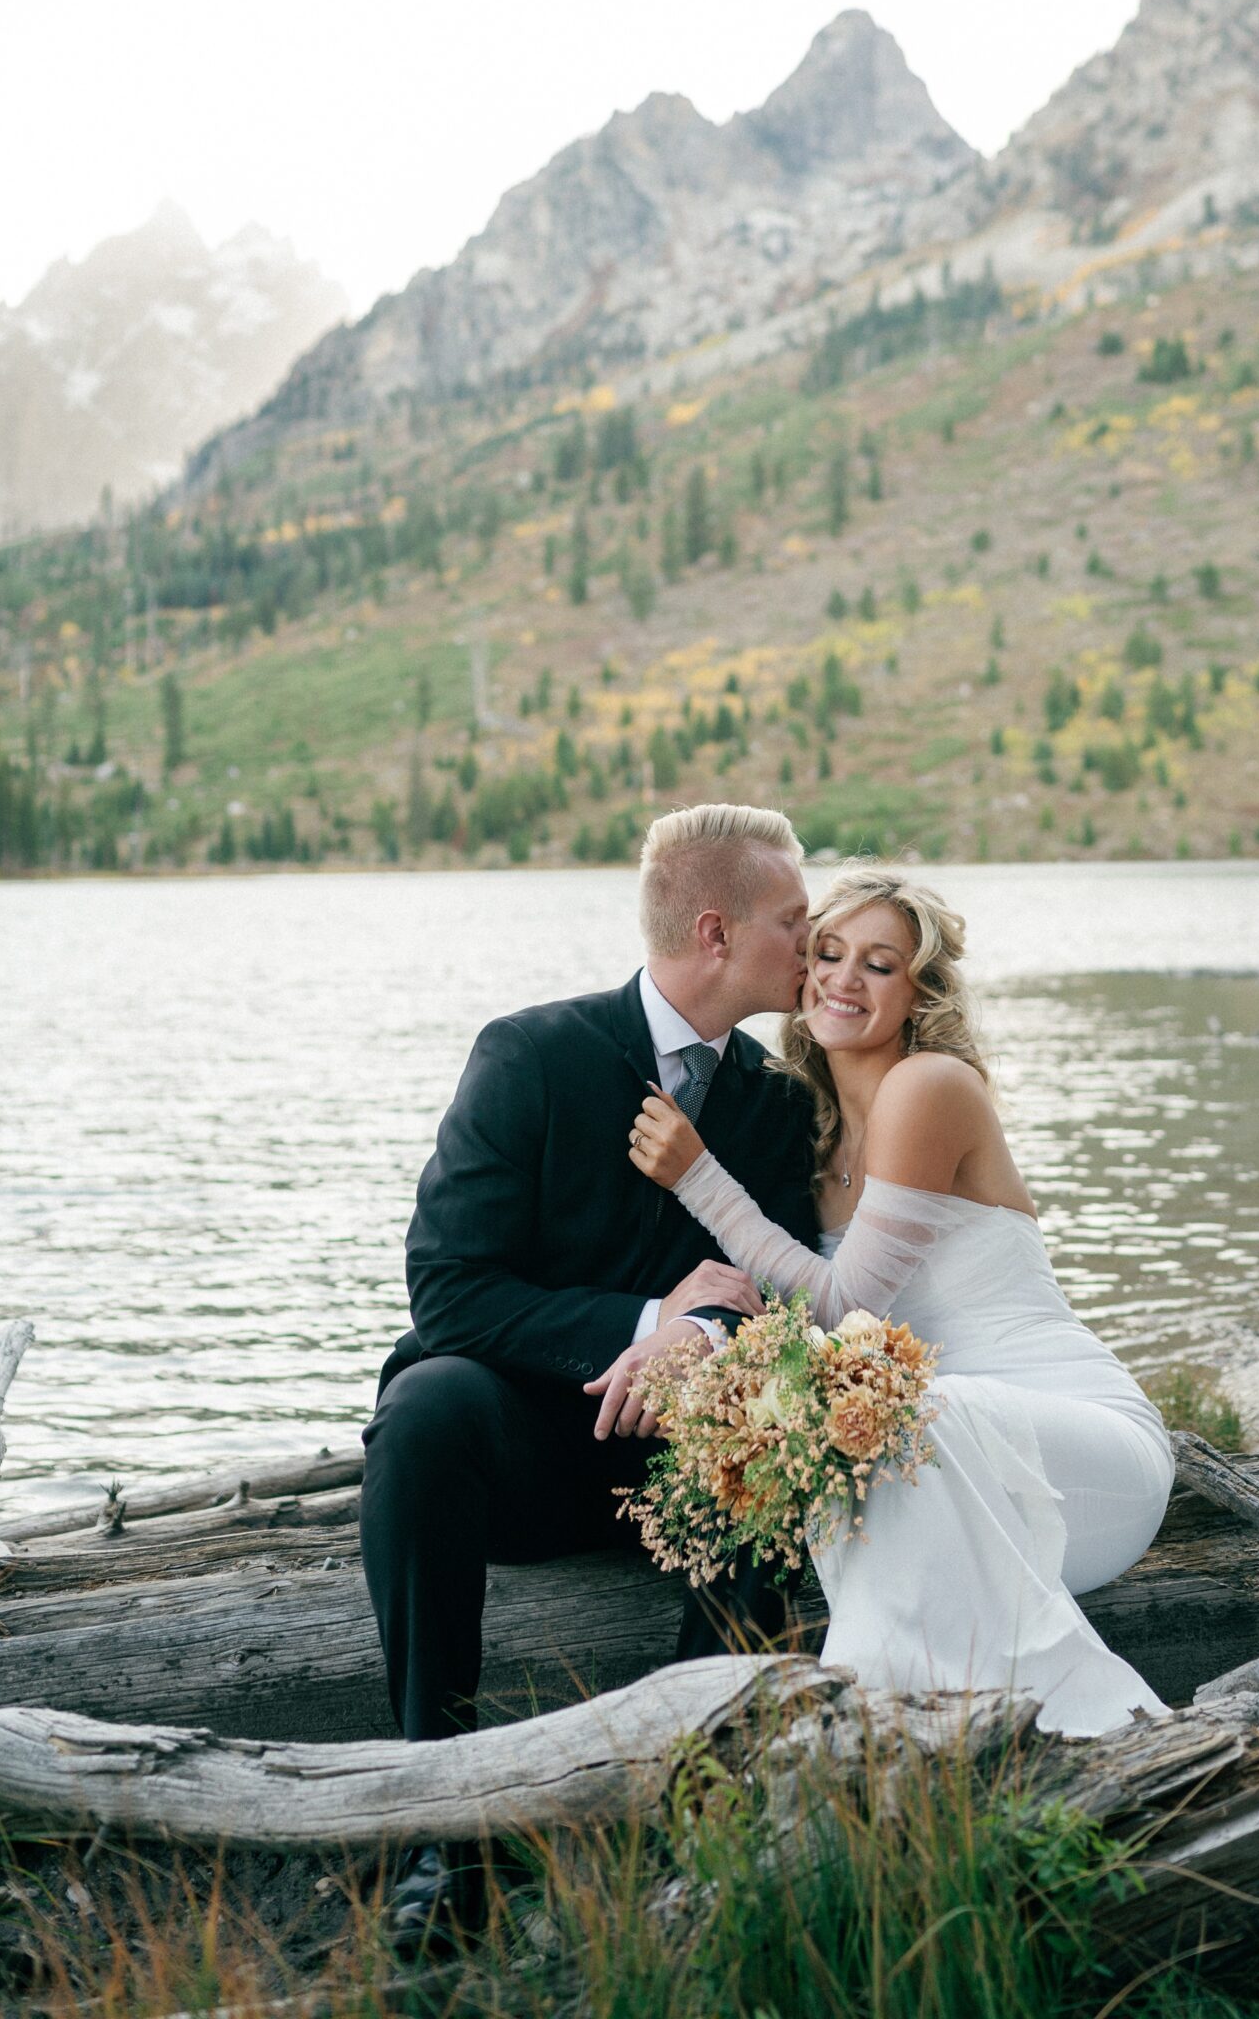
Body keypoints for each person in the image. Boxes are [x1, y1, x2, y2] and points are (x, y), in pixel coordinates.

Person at [359, 801, 816, 1945]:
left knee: (782, 1417)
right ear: (714, 931)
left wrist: (701, 1340)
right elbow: (448, 1287)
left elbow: (784, 1299)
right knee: (425, 1403)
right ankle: (440, 1831)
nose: (810, 945)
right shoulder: (531, 1053)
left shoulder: (777, 1101)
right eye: (793, 920)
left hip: (686, 1469)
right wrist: (648, 1314)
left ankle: (693, 1814)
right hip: (523, 1450)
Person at [603, 860, 1174, 1736]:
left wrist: (699, 1180)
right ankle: (883, 1738)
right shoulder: (811, 1126)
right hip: (935, 1458)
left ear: (920, 990)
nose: (841, 978)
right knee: (853, 1425)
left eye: (878, 963)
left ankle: (888, 1724)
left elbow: (843, 1310)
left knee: (889, 1414)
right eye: (826, 952)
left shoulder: (929, 1087)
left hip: (1077, 1458)